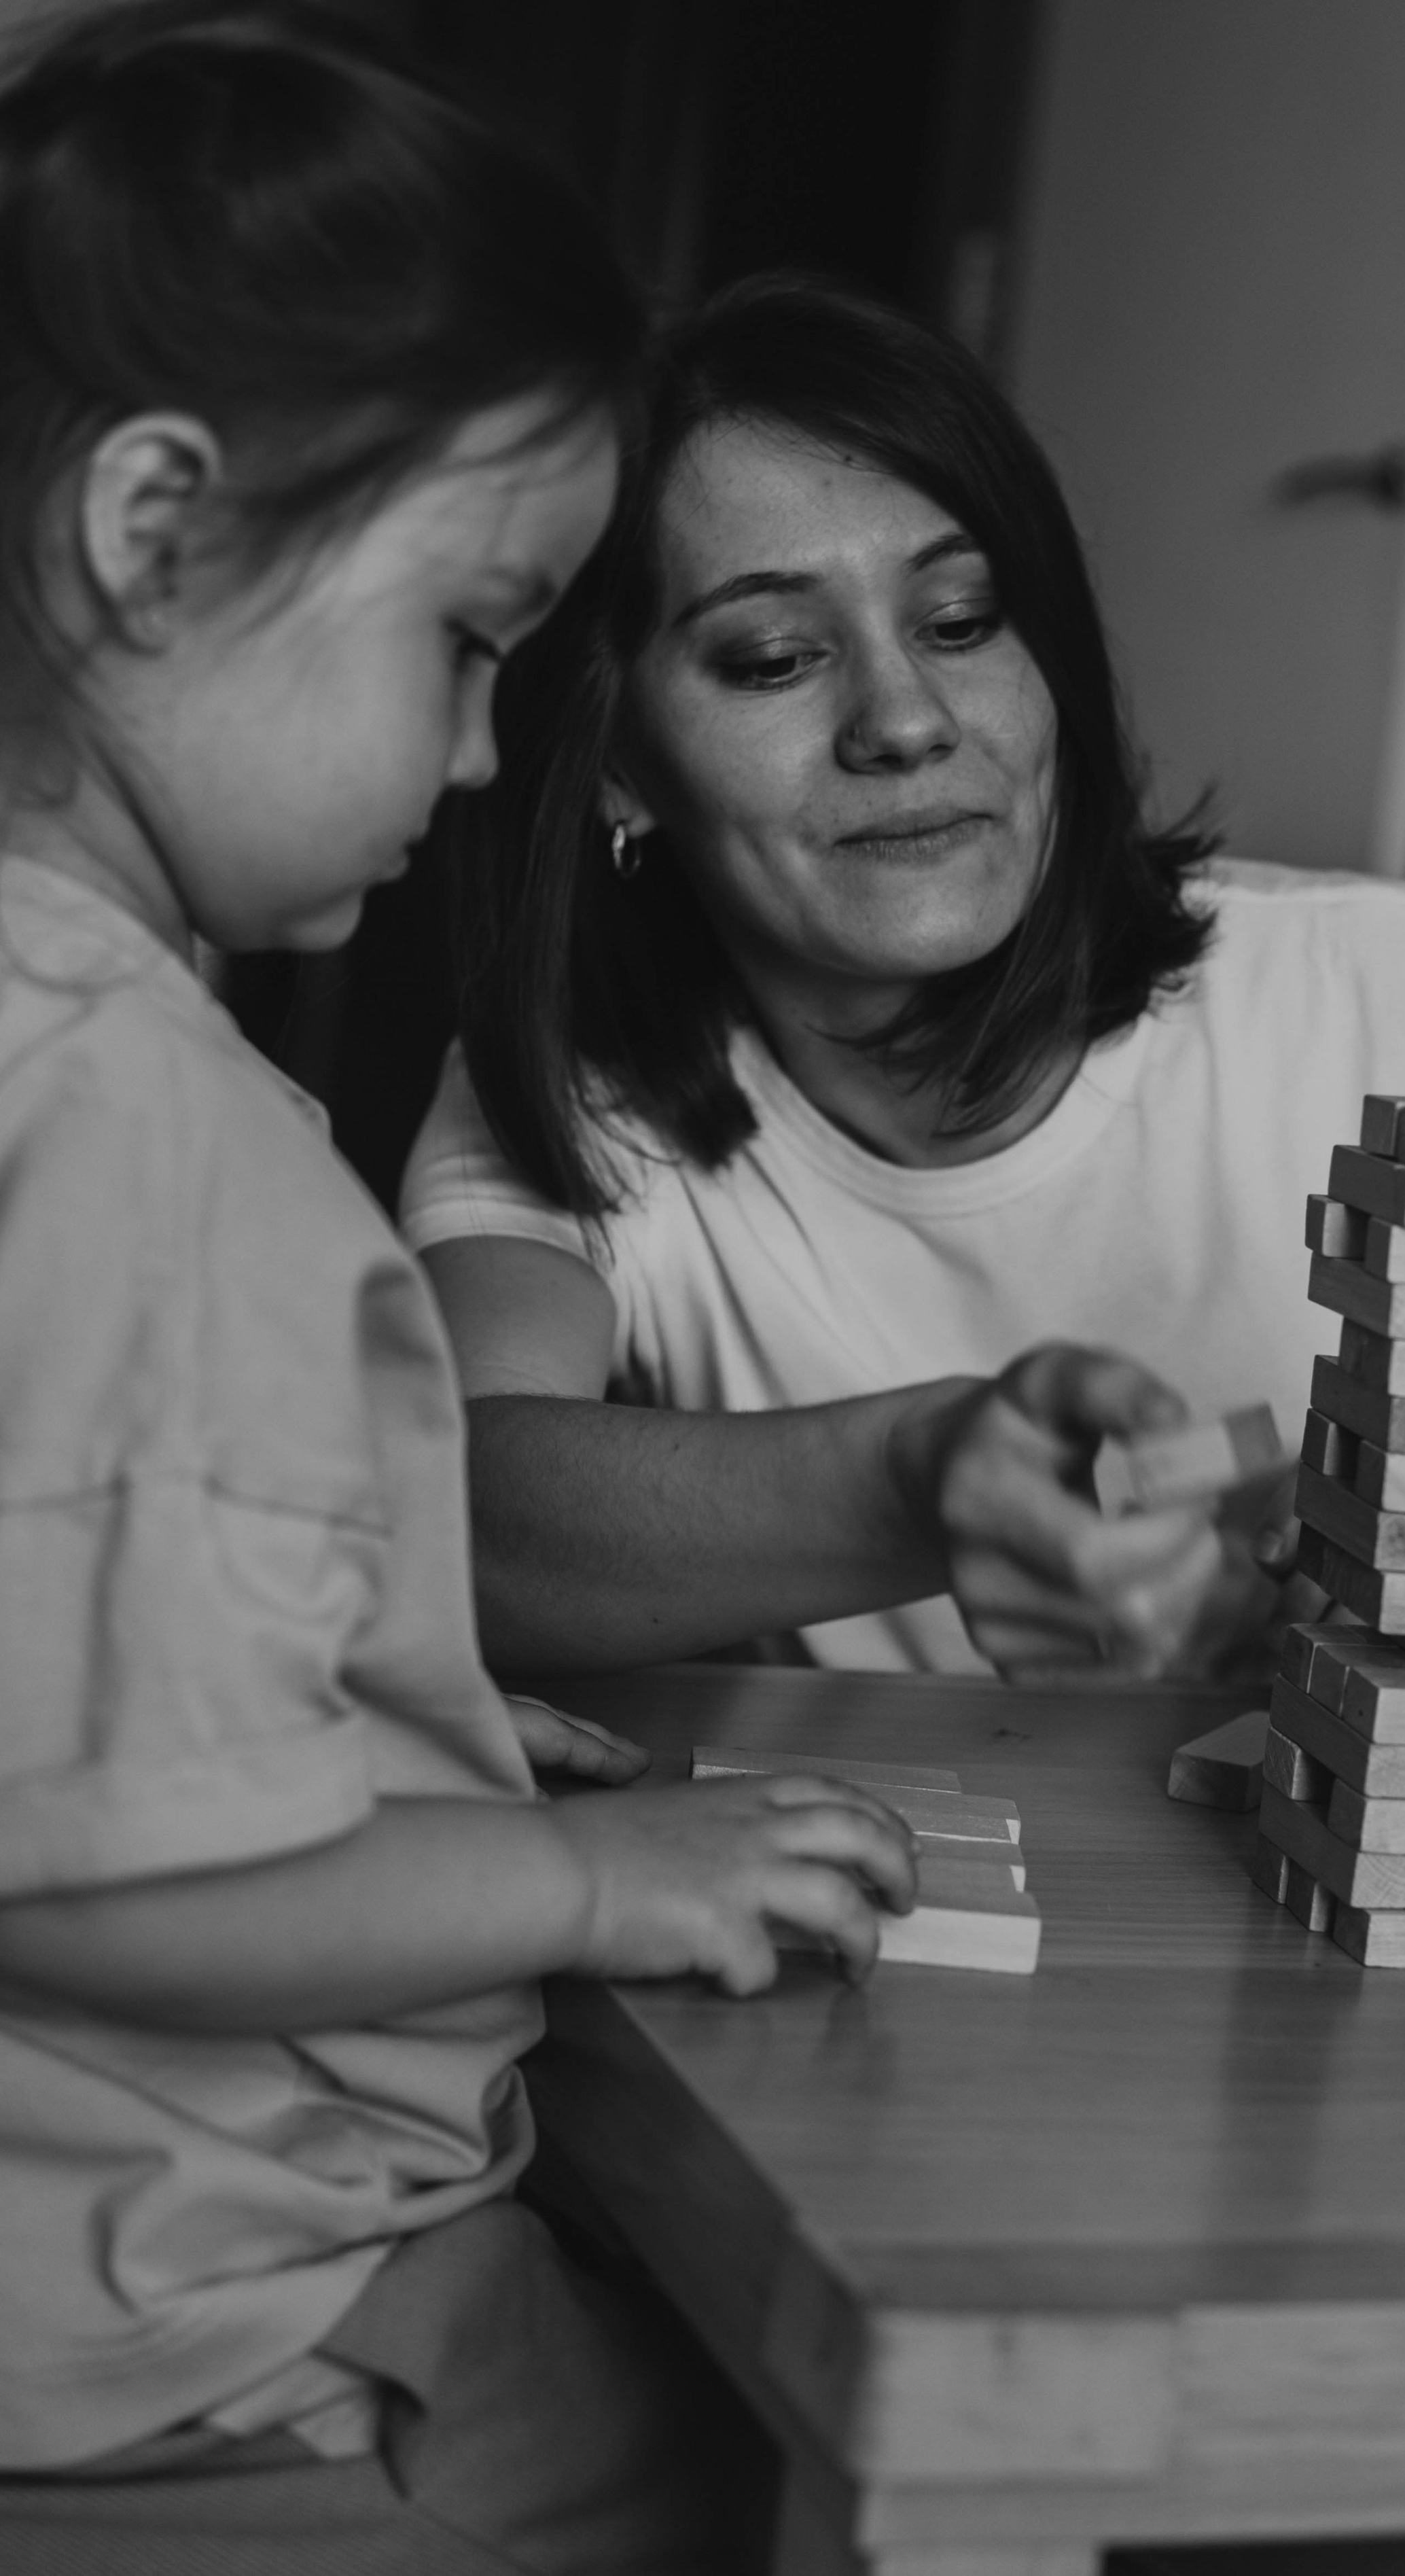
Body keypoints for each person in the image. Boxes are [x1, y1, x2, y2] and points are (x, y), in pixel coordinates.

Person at [0, 12, 912, 2570]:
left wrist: (345, 1663)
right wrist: (598, 1887)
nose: (504, 754)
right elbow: (87, 1869)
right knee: (827, 2467)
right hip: (216, 2356)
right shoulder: (125, 1115)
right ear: (151, 534)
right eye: (474, 637)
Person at [403, 277, 1405, 1683]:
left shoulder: (1400, 987)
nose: (904, 721)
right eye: (774, 657)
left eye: (961, 622)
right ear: (616, 765)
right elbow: (456, 1514)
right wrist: (916, 1480)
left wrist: (1389, 1576)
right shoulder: (561, 1080)